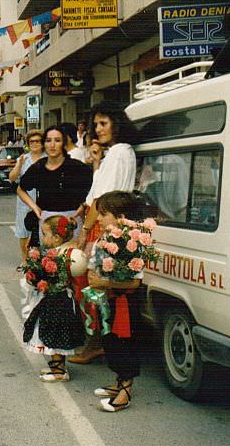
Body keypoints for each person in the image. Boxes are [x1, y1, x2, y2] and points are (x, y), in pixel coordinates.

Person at [71, 102, 137, 365]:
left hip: (103, 222)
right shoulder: (116, 153)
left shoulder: (120, 152)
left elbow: (101, 200)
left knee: (92, 286)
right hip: (104, 220)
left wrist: (85, 231)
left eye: (103, 123)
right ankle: (98, 341)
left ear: (116, 124)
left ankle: (96, 343)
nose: (98, 129)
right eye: (95, 125)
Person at [88, 191, 148, 412]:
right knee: (110, 341)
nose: (99, 218)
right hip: (108, 300)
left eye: (104, 214)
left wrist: (104, 283)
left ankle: (126, 389)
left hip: (125, 303)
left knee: (126, 343)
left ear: (121, 217)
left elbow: (134, 283)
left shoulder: (132, 242)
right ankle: (118, 382)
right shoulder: (105, 240)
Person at [21, 215, 87, 382]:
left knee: (56, 333)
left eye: (45, 234)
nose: (42, 237)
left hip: (58, 301)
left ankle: (59, 370)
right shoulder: (60, 253)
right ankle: (57, 366)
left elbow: (54, 278)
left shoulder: (62, 256)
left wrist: (35, 277)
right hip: (56, 300)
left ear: (57, 238)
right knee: (53, 331)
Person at [17, 125, 93, 242]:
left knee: (71, 258)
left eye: (57, 140)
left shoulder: (76, 166)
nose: (52, 145)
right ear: (44, 144)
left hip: (72, 221)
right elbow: (20, 189)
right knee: (47, 258)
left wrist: (83, 206)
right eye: (48, 140)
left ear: (64, 143)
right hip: (46, 222)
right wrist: (35, 207)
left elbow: (94, 188)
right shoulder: (39, 167)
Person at [9, 130, 44, 260]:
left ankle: (40, 260)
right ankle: (25, 260)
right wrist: (19, 165)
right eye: (32, 142)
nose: (35, 144)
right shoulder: (23, 158)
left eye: (38, 141)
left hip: (43, 200)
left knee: (42, 230)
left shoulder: (48, 158)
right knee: (23, 231)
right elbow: (12, 178)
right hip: (25, 199)